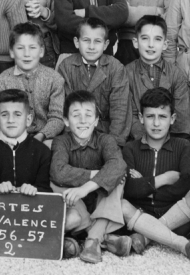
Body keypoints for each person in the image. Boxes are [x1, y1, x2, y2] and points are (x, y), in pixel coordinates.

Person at [121, 88, 190, 262]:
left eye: (162, 117)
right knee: (121, 204)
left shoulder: (183, 146)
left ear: (172, 119)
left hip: (176, 218)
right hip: (140, 213)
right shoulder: (130, 149)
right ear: (141, 118)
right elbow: (129, 189)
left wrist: (145, 186)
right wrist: (163, 179)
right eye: (150, 116)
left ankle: (147, 236)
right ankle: (182, 245)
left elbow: (187, 182)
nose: (156, 123)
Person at [51, 90, 130, 263]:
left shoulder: (106, 140)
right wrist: (95, 175)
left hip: (101, 202)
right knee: (56, 182)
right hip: (74, 204)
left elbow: (118, 165)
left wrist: (85, 188)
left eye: (88, 115)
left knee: (118, 178)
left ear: (95, 121)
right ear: (65, 120)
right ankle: (102, 238)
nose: (82, 121)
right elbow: (58, 171)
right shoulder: (61, 141)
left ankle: (91, 240)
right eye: (76, 115)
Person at [57, 17, 131, 147]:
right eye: (86, 40)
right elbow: (64, 108)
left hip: (106, 135)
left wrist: (112, 145)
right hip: (75, 135)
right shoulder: (66, 67)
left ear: (106, 44)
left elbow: (120, 111)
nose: (91, 47)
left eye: (97, 41)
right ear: (76, 42)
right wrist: (73, 142)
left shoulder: (116, 68)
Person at [0, 23, 66, 146]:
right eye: (20, 48)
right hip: (11, 138)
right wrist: (16, 140)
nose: (27, 54)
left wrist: (41, 136)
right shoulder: (2, 80)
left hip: (45, 138)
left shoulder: (54, 79)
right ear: (11, 52)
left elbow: (57, 118)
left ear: (41, 51)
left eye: (32, 48)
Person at [0, 89, 52, 194]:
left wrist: (35, 190)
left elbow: (46, 190)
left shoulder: (42, 152)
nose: (10, 120)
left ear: (28, 120)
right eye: (4, 114)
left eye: (17, 114)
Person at [123, 15, 190, 142]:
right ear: (135, 42)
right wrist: (148, 142)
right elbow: (129, 115)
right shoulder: (126, 73)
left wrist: (168, 145)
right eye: (145, 38)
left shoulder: (176, 74)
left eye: (157, 39)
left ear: (165, 44)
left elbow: (181, 119)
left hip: (171, 143)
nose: (151, 45)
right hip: (138, 142)